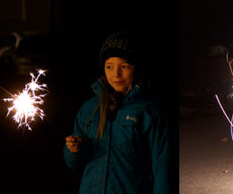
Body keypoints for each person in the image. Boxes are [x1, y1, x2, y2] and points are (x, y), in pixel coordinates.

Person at [63, 31, 169, 193]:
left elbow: (163, 166)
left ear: (136, 68)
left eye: (124, 66)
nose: (116, 74)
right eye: (109, 67)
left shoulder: (149, 111)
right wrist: (74, 150)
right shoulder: (90, 109)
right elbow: (75, 165)